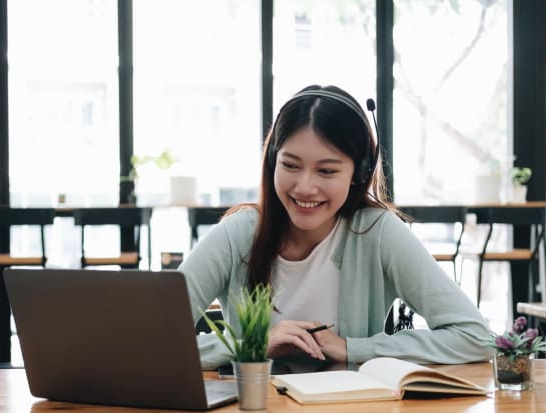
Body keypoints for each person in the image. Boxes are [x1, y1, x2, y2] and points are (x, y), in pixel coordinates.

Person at [179, 85, 493, 370]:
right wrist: (252, 346)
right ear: (273, 161)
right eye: (290, 165)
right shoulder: (239, 234)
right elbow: (149, 342)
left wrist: (352, 348)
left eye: (326, 171)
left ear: (360, 173)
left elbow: (475, 336)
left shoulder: (377, 233)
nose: (305, 187)